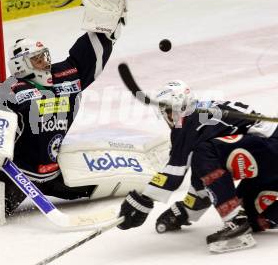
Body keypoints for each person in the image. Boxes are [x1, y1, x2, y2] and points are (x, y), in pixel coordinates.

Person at [0, 0, 128, 215]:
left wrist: (107, 23)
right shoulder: (12, 88)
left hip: (56, 172)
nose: (45, 62)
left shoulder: (67, 75)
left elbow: (88, 56)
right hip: (17, 176)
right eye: (37, 59)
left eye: (45, 56)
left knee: (106, 186)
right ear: (21, 65)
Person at [117, 80, 278, 253]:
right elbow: (204, 179)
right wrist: (186, 211)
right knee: (255, 216)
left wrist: (143, 200)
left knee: (204, 153)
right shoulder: (201, 117)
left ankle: (235, 221)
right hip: (268, 159)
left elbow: (173, 173)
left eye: (170, 111)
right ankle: (242, 218)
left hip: (271, 148)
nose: (169, 117)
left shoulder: (192, 121)